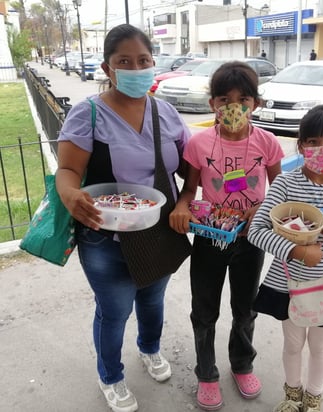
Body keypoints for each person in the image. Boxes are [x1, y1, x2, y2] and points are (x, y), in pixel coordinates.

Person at [55, 24, 191, 412]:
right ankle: (110, 375)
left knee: (153, 300)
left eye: (143, 60)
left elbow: (192, 166)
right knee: (114, 310)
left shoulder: (166, 112)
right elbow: (67, 170)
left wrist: (185, 201)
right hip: (105, 235)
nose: (136, 68)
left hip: (158, 229)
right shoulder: (89, 113)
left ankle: (149, 349)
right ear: (107, 68)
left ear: (154, 63)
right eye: (124, 62)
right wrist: (69, 193)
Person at [169, 61, 284, 411]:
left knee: (246, 307)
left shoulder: (268, 143)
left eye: (243, 99)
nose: (233, 107)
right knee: (204, 309)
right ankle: (206, 372)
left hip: (252, 239)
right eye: (224, 99)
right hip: (210, 237)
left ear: (256, 104)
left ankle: (242, 363)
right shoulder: (198, 143)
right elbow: (189, 190)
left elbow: (280, 192)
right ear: (212, 104)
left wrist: (262, 212)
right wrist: (182, 207)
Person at [248, 105, 323, 412]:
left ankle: (314, 398)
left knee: (320, 346)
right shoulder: (286, 184)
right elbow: (256, 231)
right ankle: (292, 395)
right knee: (293, 344)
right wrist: (297, 250)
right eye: (312, 142)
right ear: (301, 146)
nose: (322, 149)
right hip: (289, 284)